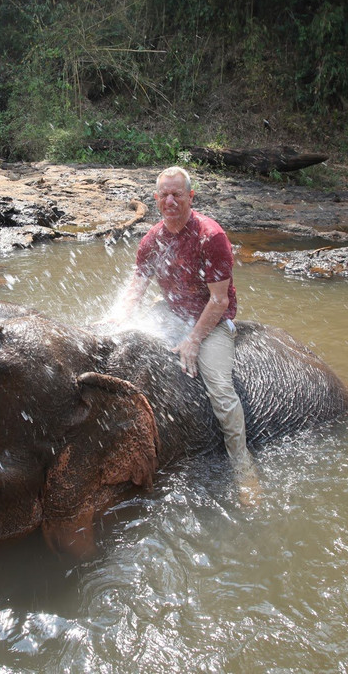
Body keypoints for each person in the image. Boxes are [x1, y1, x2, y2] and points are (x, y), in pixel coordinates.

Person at [110, 166, 261, 506]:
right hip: (170, 311)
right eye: (164, 195)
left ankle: (243, 468)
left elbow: (219, 300)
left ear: (191, 197)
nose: (170, 201)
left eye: (177, 194)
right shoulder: (151, 240)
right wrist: (117, 320)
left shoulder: (211, 235)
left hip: (212, 319)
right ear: (155, 199)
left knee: (221, 389)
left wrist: (193, 340)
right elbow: (137, 287)